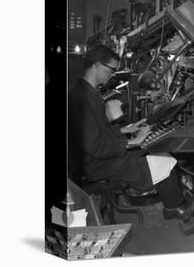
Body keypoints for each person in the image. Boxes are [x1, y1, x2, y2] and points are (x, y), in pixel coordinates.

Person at [68, 44, 186, 220]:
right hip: (96, 164)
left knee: (153, 149)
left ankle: (172, 203)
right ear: (97, 65)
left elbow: (96, 129)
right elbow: (94, 146)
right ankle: (173, 207)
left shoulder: (84, 90)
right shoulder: (81, 98)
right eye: (111, 70)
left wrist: (125, 130)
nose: (112, 74)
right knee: (162, 158)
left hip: (94, 157)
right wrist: (131, 142)